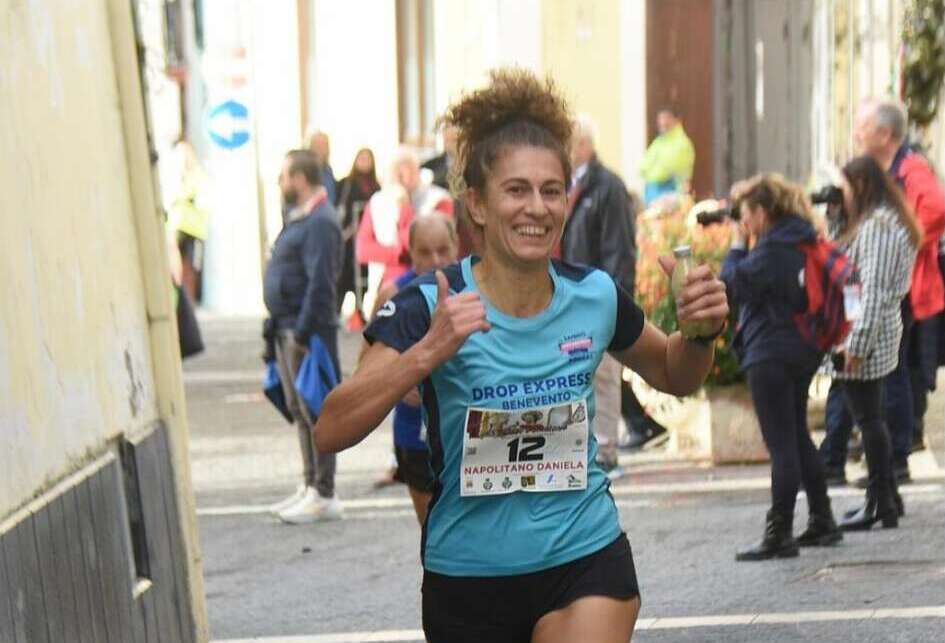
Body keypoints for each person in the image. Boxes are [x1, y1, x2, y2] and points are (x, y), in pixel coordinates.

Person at [313, 68, 729, 643]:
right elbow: (329, 429)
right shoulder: (427, 304)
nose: (536, 207)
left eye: (550, 190)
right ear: (478, 205)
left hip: (583, 554)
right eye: (516, 190)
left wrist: (700, 334)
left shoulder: (595, 295)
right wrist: (426, 353)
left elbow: (674, 373)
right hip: (468, 576)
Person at [719, 174, 841, 561]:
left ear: (762, 212)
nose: (744, 221)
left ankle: (780, 532)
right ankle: (823, 519)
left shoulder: (773, 248)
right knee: (798, 436)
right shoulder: (799, 238)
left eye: (747, 214)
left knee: (782, 445)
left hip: (771, 352)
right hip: (801, 349)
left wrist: (737, 246)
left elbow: (731, 285)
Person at [832, 156, 920, 531]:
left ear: (862, 186)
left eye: (846, 188)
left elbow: (874, 293)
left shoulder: (879, 227)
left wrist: (856, 345)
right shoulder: (873, 223)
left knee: (869, 419)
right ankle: (886, 497)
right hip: (867, 332)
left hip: (867, 336)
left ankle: (879, 501)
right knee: (871, 416)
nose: (843, 195)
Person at [263, 149, 343, 524]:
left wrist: (305, 332)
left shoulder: (321, 221)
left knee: (317, 409)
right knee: (299, 409)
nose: (280, 184)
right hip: (286, 325)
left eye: (283, 176)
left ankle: (325, 491)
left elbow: (321, 281)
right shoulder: (301, 217)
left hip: (305, 331)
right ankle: (311, 484)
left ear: (299, 178)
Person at [560, 114, 638, 476]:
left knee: (606, 376)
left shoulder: (607, 186)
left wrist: (614, 301)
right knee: (579, 376)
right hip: (570, 297)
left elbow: (619, 250)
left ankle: (606, 451)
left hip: (600, 296)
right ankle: (585, 448)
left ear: (582, 145)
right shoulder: (568, 184)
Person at [368, 215, 459, 524]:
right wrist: (400, 382)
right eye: (425, 252)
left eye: (443, 250)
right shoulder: (394, 296)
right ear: (411, 252)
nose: (436, 261)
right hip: (414, 434)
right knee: (433, 532)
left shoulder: (477, 287)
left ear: (456, 246)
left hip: (464, 433)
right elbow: (365, 368)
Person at [356, 146, 453, 313]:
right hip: (385, 287)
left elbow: (415, 245)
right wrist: (398, 254)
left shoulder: (438, 200)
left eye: (407, 169)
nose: (402, 177)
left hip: (427, 287)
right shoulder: (378, 201)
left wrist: (405, 210)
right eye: (397, 171)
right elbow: (362, 251)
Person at [335, 148, 381, 325]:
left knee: (362, 277)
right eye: (361, 158)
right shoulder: (346, 184)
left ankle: (359, 312)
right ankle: (336, 312)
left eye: (367, 158)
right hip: (347, 240)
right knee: (343, 276)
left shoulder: (375, 186)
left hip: (366, 241)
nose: (364, 162)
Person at [639, 108, 695, 206]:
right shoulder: (659, 141)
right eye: (660, 119)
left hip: (670, 192)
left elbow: (669, 166)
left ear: (675, 120)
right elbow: (644, 165)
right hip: (653, 190)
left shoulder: (681, 142)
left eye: (666, 118)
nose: (662, 122)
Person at [308, 130, 337, 204]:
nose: (321, 149)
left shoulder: (328, 170)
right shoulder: (305, 170)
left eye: (324, 145)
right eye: (317, 145)